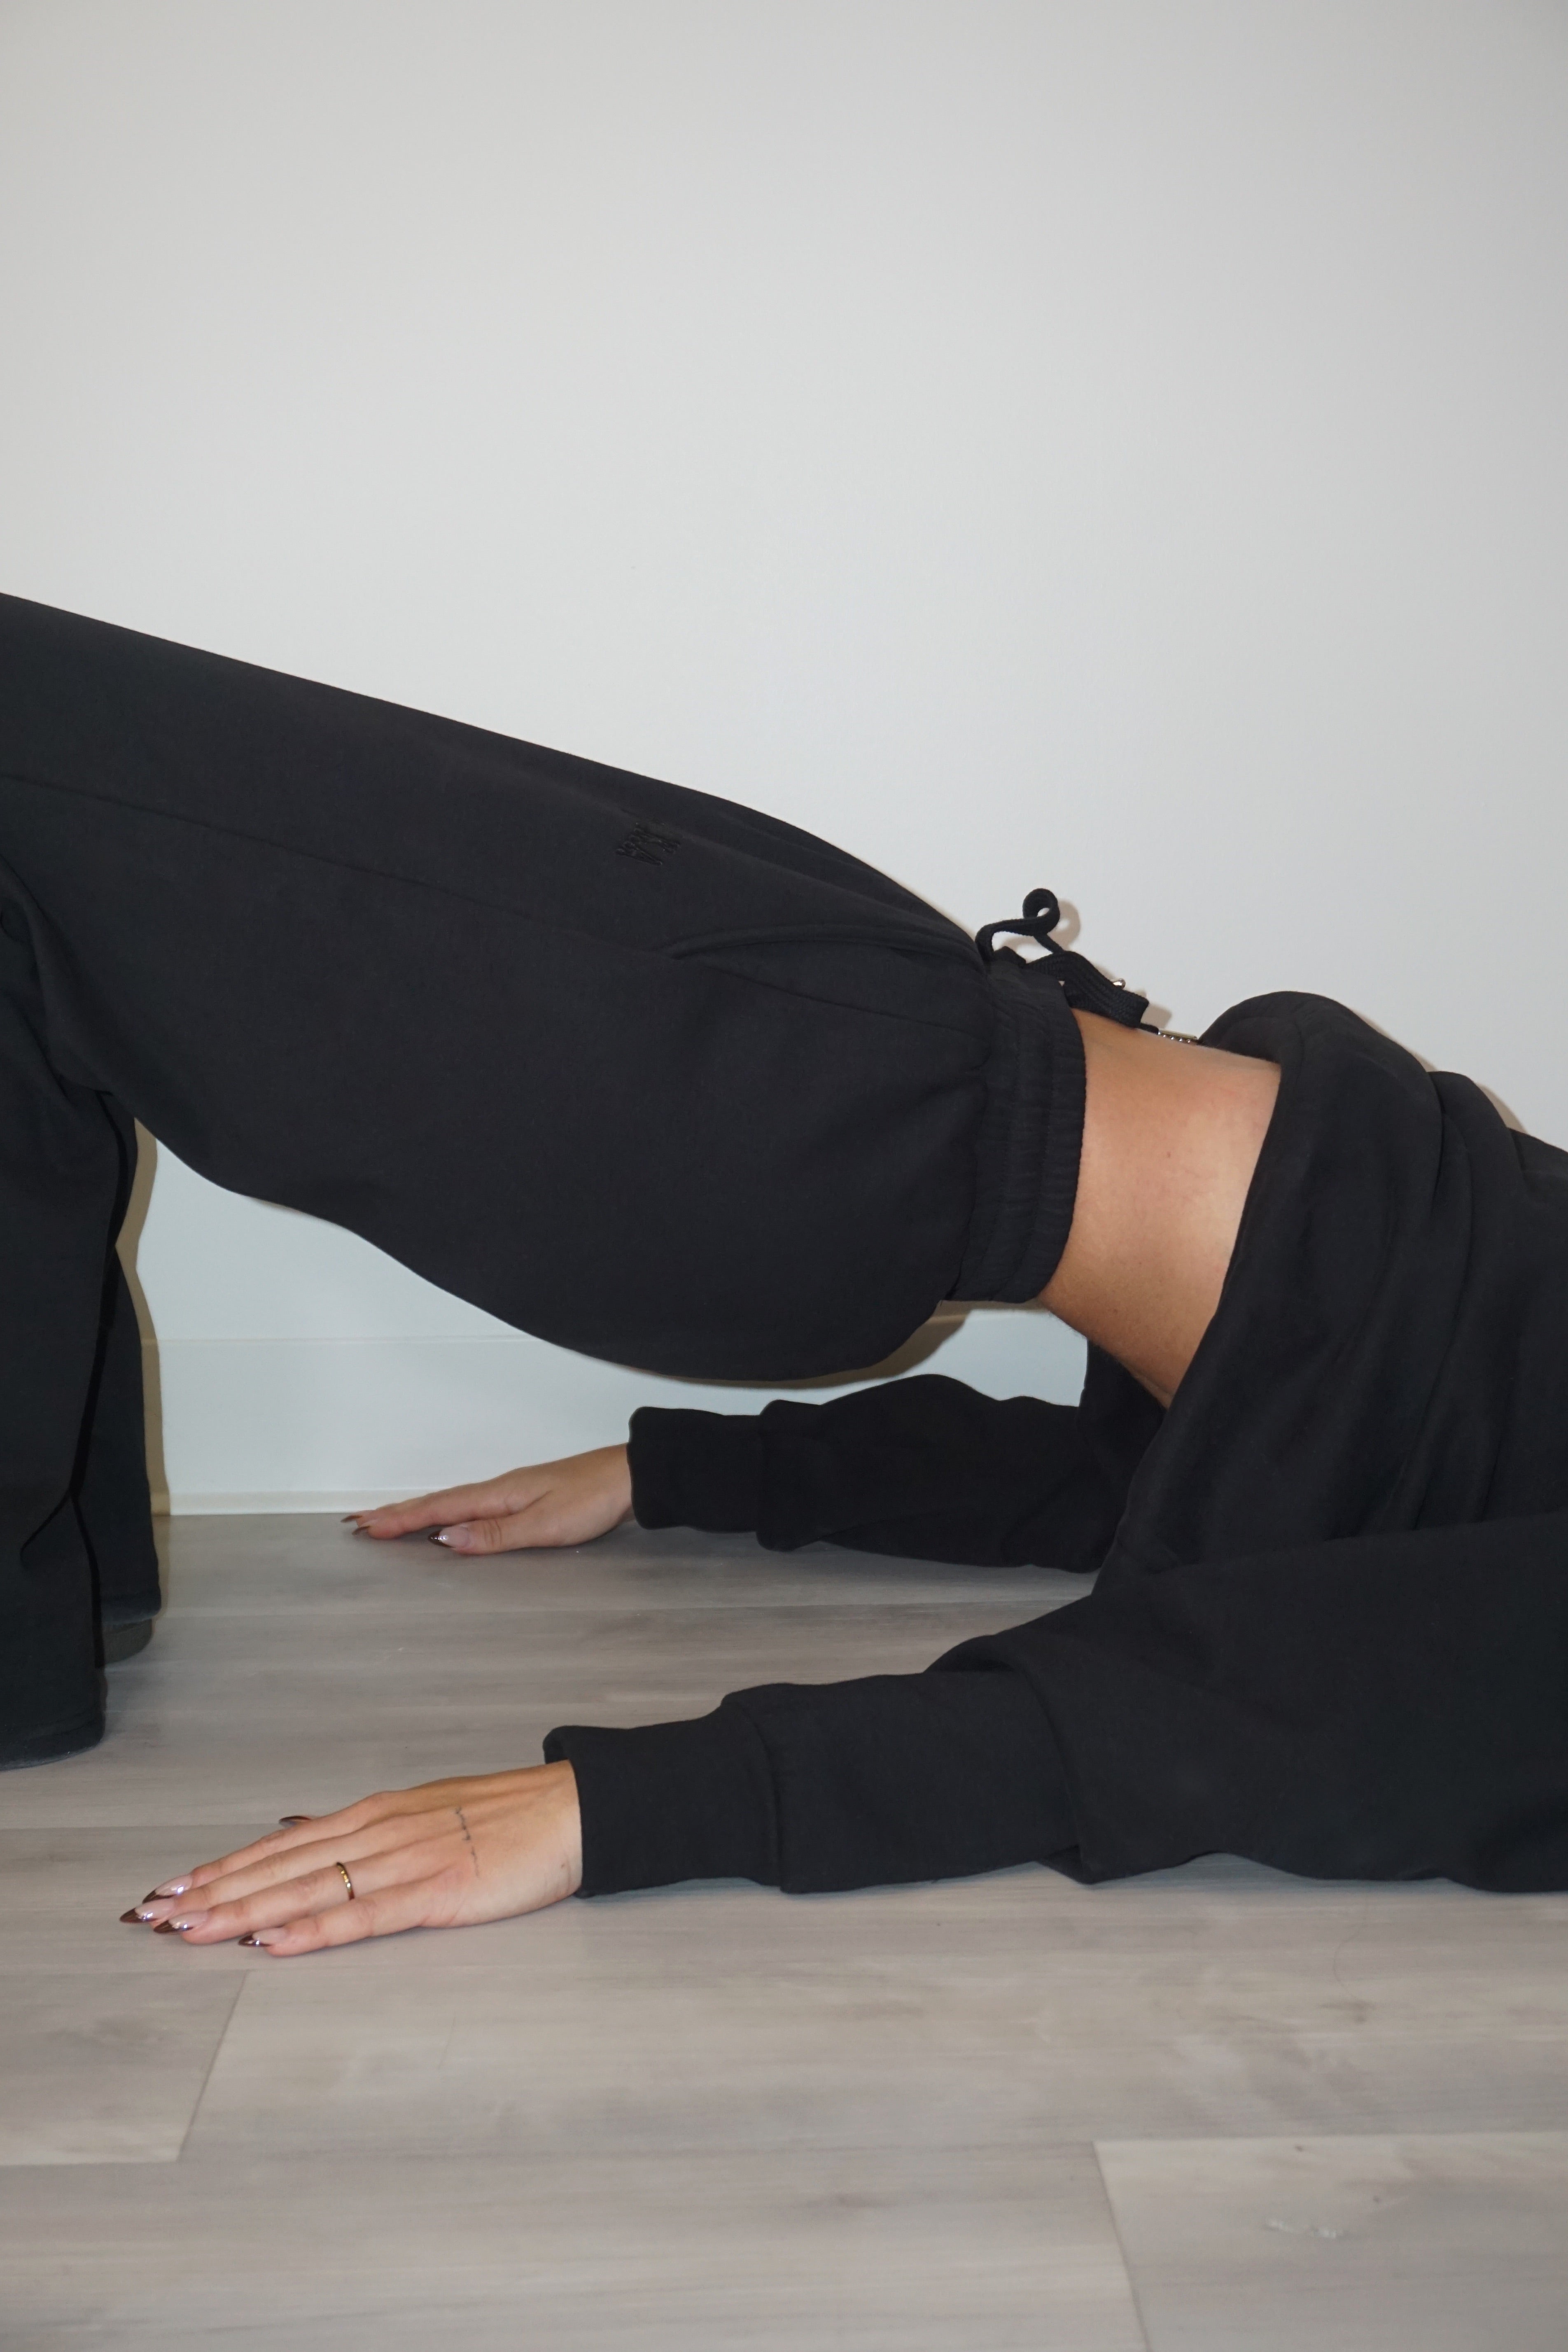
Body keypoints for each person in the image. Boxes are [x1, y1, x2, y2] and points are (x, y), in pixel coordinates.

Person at [2, 596, 1564, 1959]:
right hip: (898, 1053)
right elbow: (1188, 1480)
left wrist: (636, 1808)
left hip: (844, 1123)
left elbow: (1298, 1704)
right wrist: (682, 1472)